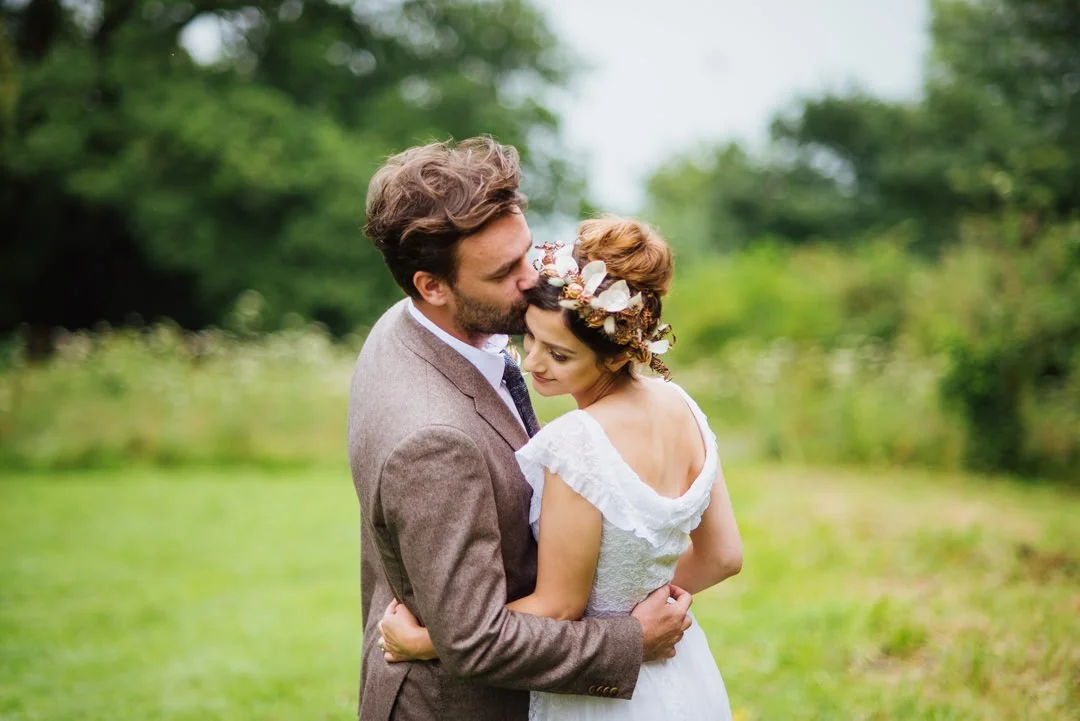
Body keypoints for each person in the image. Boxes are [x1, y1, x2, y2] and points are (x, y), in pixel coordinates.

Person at [348, 137, 693, 721]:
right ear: (431, 286)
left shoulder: (432, 325)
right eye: (505, 271)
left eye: (528, 252)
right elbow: (475, 640)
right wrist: (630, 642)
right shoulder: (433, 440)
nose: (534, 279)